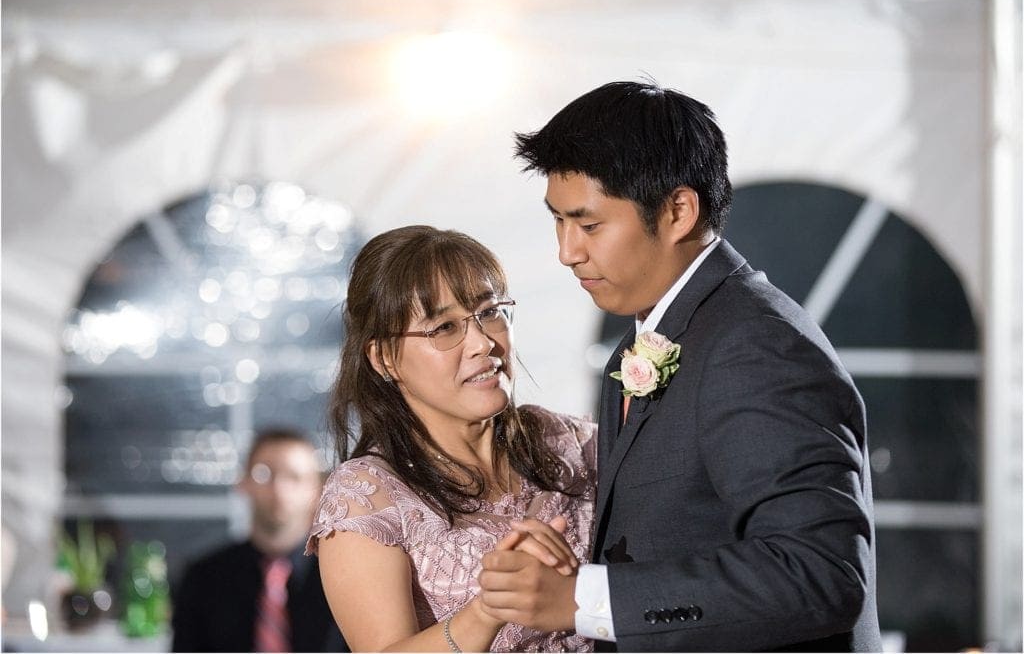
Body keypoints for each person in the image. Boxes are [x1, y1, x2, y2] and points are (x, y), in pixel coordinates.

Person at [477, 80, 883, 652]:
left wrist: (586, 600)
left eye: (589, 225)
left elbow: (819, 575)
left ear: (677, 211)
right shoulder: (641, 343)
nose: (567, 251)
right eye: (558, 222)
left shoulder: (755, 343)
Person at [305, 225, 597, 652]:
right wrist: (487, 610)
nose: (482, 342)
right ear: (384, 358)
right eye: (444, 327)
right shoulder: (365, 495)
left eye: (490, 311)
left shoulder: (571, 441)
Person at [172, 428, 346, 652]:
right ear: (243, 482)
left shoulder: (341, 578)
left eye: (294, 477)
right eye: (264, 474)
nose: (279, 488)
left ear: (317, 490)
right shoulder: (203, 577)